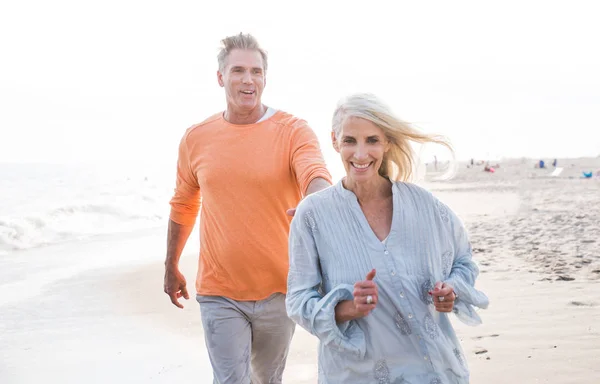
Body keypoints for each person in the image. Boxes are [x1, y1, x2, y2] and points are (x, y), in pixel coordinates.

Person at [163, 33, 332, 384]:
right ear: (221, 76)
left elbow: (315, 174)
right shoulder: (196, 138)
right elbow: (184, 202)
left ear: (265, 79)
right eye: (238, 70)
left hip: (279, 288)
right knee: (230, 380)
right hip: (218, 290)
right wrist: (171, 265)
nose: (247, 79)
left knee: (267, 380)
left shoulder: (292, 130)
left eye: (256, 72)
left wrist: (316, 202)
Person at [286, 93, 489, 383]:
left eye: (372, 140)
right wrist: (347, 308)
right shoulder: (312, 215)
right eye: (349, 141)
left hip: (431, 370)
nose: (360, 154)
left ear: (387, 143)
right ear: (334, 141)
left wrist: (451, 293)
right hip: (355, 374)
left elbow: (463, 260)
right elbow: (298, 299)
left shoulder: (424, 206)